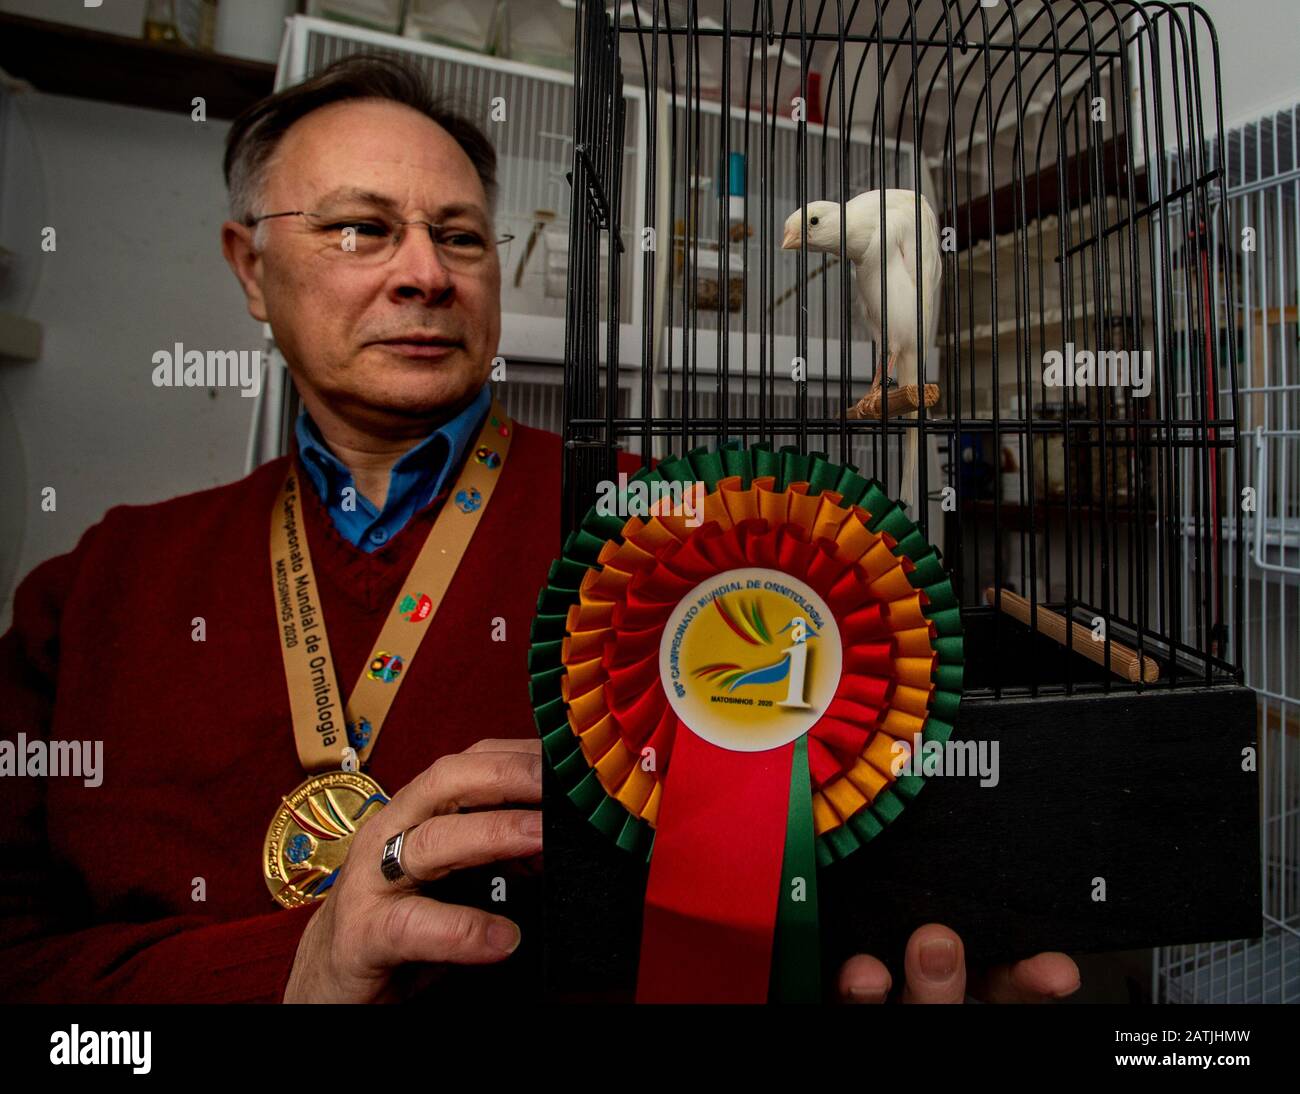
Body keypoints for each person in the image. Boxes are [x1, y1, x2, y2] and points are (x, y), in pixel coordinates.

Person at [0, 52, 1077, 1005]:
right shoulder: (96, 585)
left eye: (459, 235)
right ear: (250, 267)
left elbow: (838, 850)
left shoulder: (682, 537)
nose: (425, 271)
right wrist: (286, 972)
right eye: (361, 228)